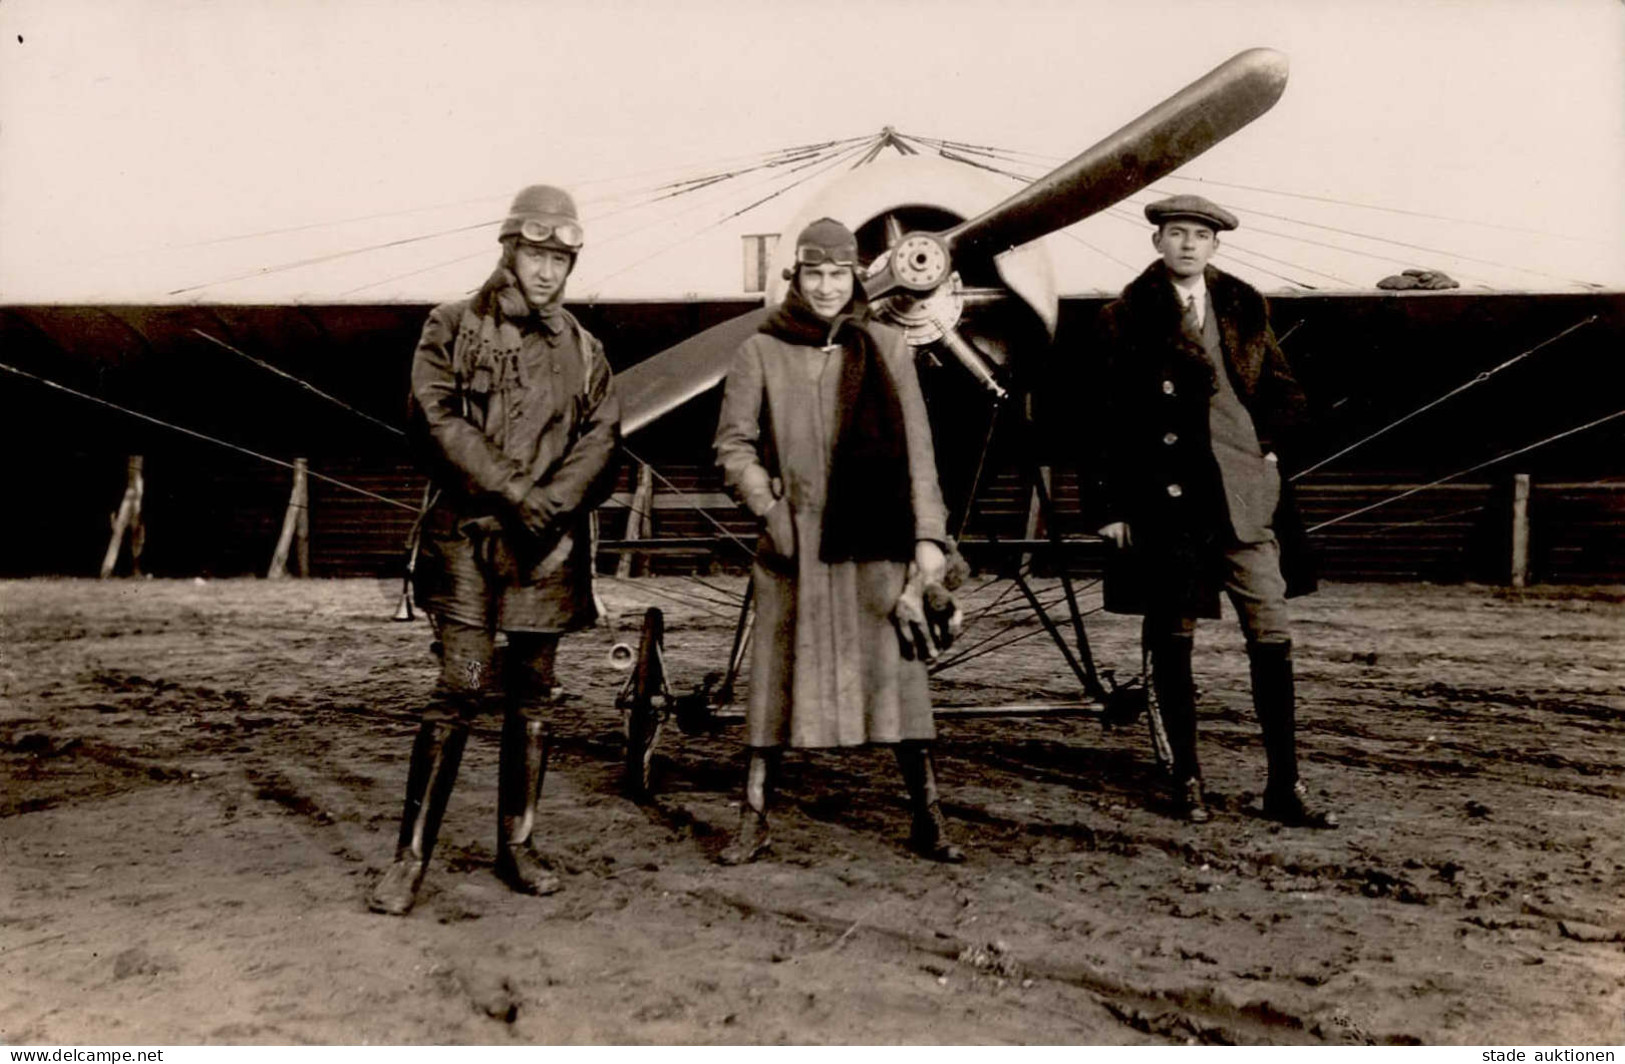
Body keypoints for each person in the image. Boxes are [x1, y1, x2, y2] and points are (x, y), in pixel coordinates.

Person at [368, 184, 621, 916]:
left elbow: (602, 439)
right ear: (509, 249)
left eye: (560, 259)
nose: (547, 271)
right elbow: (434, 420)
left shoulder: (585, 349)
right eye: (536, 254)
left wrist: (552, 506)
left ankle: (518, 846)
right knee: (460, 688)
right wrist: (517, 493)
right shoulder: (449, 326)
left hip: (546, 553)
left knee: (534, 696)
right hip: (468, 548)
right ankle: (410, 859)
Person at [712, 217, 964, 865]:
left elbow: (919, 455)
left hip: (874, 541)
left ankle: (926, 814)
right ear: (794, 278)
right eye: (813, 274)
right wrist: (770, 511)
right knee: (771, 683)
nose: (825, 288)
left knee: (901, 681)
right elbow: (732, 445)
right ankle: (753, 816)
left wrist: (928, 541)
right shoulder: (759, 352)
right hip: (793, 545)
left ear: (855, 275)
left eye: (836, 274)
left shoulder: (886, 347)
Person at [1088, 194, 1336, 829]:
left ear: (1216, 246)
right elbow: (1103, 419)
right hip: (1168, 505)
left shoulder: (1245, 309)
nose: (1188, 245)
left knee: (1272, 634)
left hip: (1244, 498)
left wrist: (1271, 457)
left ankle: (1284, 786)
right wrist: (1111, 507)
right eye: (1176, 233)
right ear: (1157, 244)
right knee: (1174, 639)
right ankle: (1187, 780)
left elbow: (1284, 390)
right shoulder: (1124, 317)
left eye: (1200, 235)